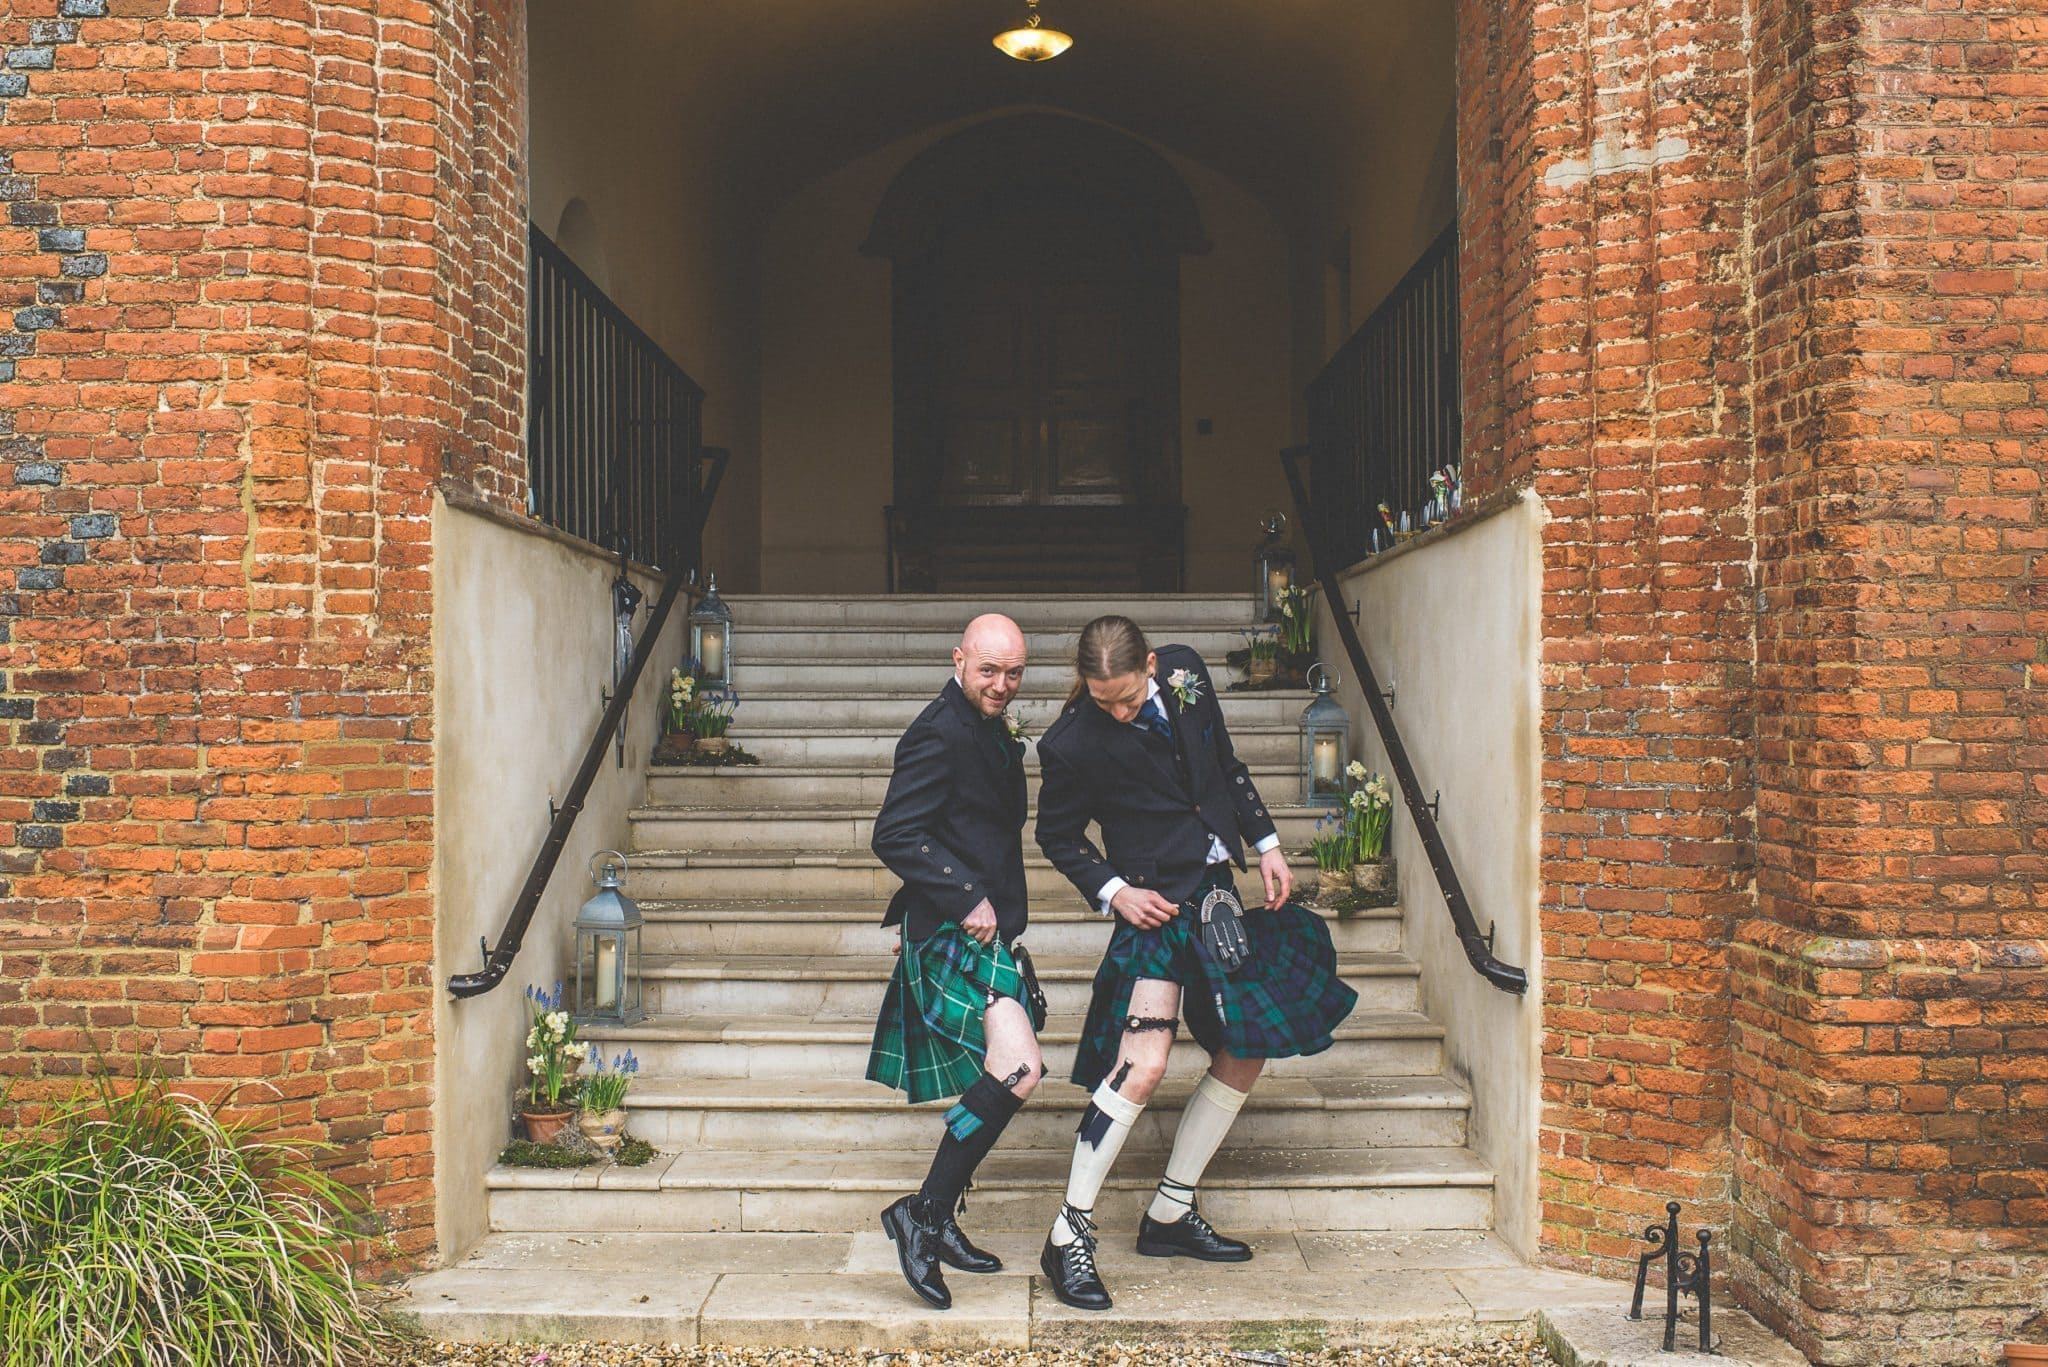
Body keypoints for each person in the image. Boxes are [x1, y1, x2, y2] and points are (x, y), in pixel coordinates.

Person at [1032, 614, 1358, 1311]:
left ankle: (1171, 1212)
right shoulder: (1071, 743)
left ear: (1151, 664)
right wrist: (1117, 892)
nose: (1117, 711)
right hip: (1154, 910)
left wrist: (1266, 840)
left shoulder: (1186, 670)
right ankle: (1067, 1235)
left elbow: (1223, 765)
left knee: (1247, 1047)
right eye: (1102, 700)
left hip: (1215, 897)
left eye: (1125, 696)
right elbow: (1055, 834)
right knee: (1144, 1063)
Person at [866, 613, 1045, 1310]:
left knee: (1015, 1070)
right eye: (989, 671)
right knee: (1018, 1067)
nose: (1001, 685)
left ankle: (932, 1215)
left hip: (986, 931)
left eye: (1014, 673)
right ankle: (925, 1212)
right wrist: (965, 893)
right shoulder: (936, 732)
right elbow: (894, 832)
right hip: (950, 927)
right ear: (959, 659)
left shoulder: (992, 729)